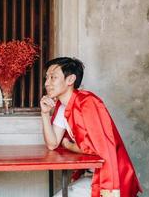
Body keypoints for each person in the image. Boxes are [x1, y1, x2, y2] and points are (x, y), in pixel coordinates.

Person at [40, 57, 142, 197]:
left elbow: (96, 147)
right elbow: (52, 144)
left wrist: (68, 145)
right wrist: (45, 114)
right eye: (46, 78)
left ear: (70, 80)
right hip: (91, 174)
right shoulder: (61, 107)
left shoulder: (88, 102)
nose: (47, 83)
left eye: (53, 78)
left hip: (110, 176)